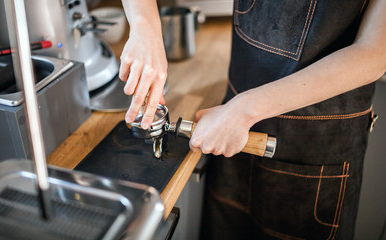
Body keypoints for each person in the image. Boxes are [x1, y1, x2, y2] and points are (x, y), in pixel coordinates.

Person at [119, 0, 386, 239]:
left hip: (315, 150)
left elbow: (375, 52)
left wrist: (245, 110)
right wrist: (145, 25)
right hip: (229, 129)